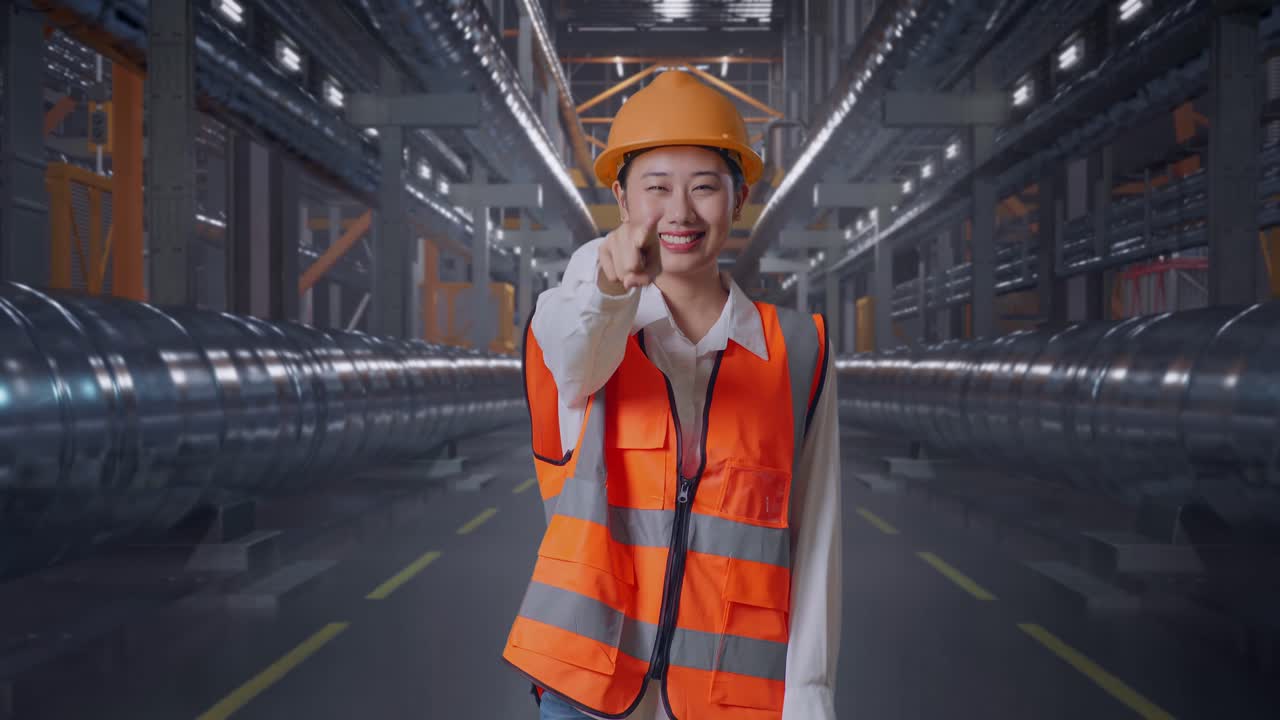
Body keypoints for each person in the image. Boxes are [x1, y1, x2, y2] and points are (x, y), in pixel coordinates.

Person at [503, 70, 842, 720]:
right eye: (656, 188)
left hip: (731, 698)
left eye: (705, 187)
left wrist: (810, 701)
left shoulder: (799, 351)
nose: (681, 213)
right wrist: (610, 281)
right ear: (622, 199)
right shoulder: (577, 319)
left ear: (739, 200)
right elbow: (578, 356)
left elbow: (817, 538)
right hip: (587, 691)